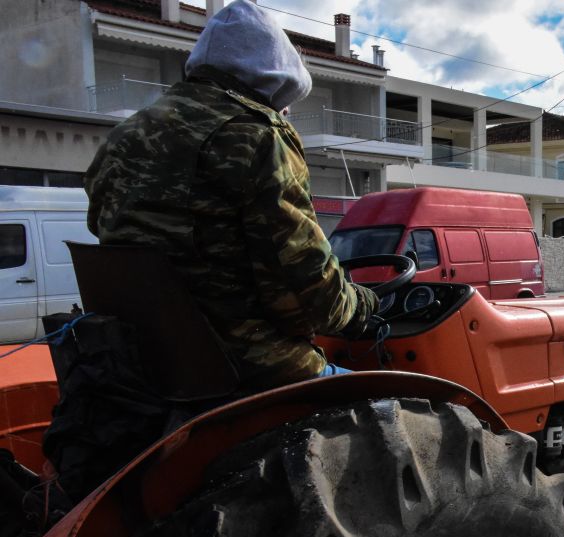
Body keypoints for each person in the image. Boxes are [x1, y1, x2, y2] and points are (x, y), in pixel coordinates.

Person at [84, 0, 377, 391]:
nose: (287, 111)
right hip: (242, 364)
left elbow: (101, 228)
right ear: (274, 82)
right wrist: (365, 307)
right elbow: (305, 289)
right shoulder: (256, 134)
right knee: (389, 400)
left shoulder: (126, 134)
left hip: (142, 363)